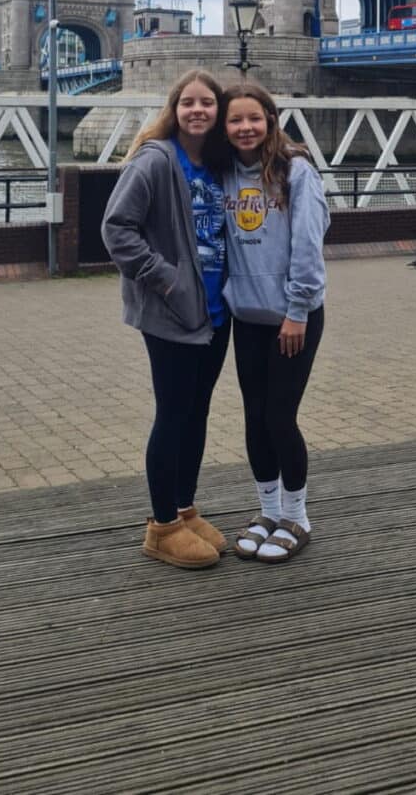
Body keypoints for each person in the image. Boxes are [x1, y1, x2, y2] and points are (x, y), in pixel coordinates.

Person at [101, 70, 230, 569]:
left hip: (217, 313)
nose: (198, 111)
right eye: (189, 103)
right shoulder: (155, 161)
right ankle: (160, 527)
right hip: (172, 310)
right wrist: (165, 278)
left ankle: (184, 509)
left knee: (197, 414)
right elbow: (117, 229)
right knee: (173, 415)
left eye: (207, 104)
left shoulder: (219, 164)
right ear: (174, 109)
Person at [220, 82, 330, 564]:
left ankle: (297, 517)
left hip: (293, 317)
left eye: (254, 118)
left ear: (270, 120)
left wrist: (297, 310)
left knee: (279, 417)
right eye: (235, 120)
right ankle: (266, 511)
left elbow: (308, 244)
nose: (245, 128)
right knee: (253, 417)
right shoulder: (222, 173)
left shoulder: (296, 171)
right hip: (247, 315)